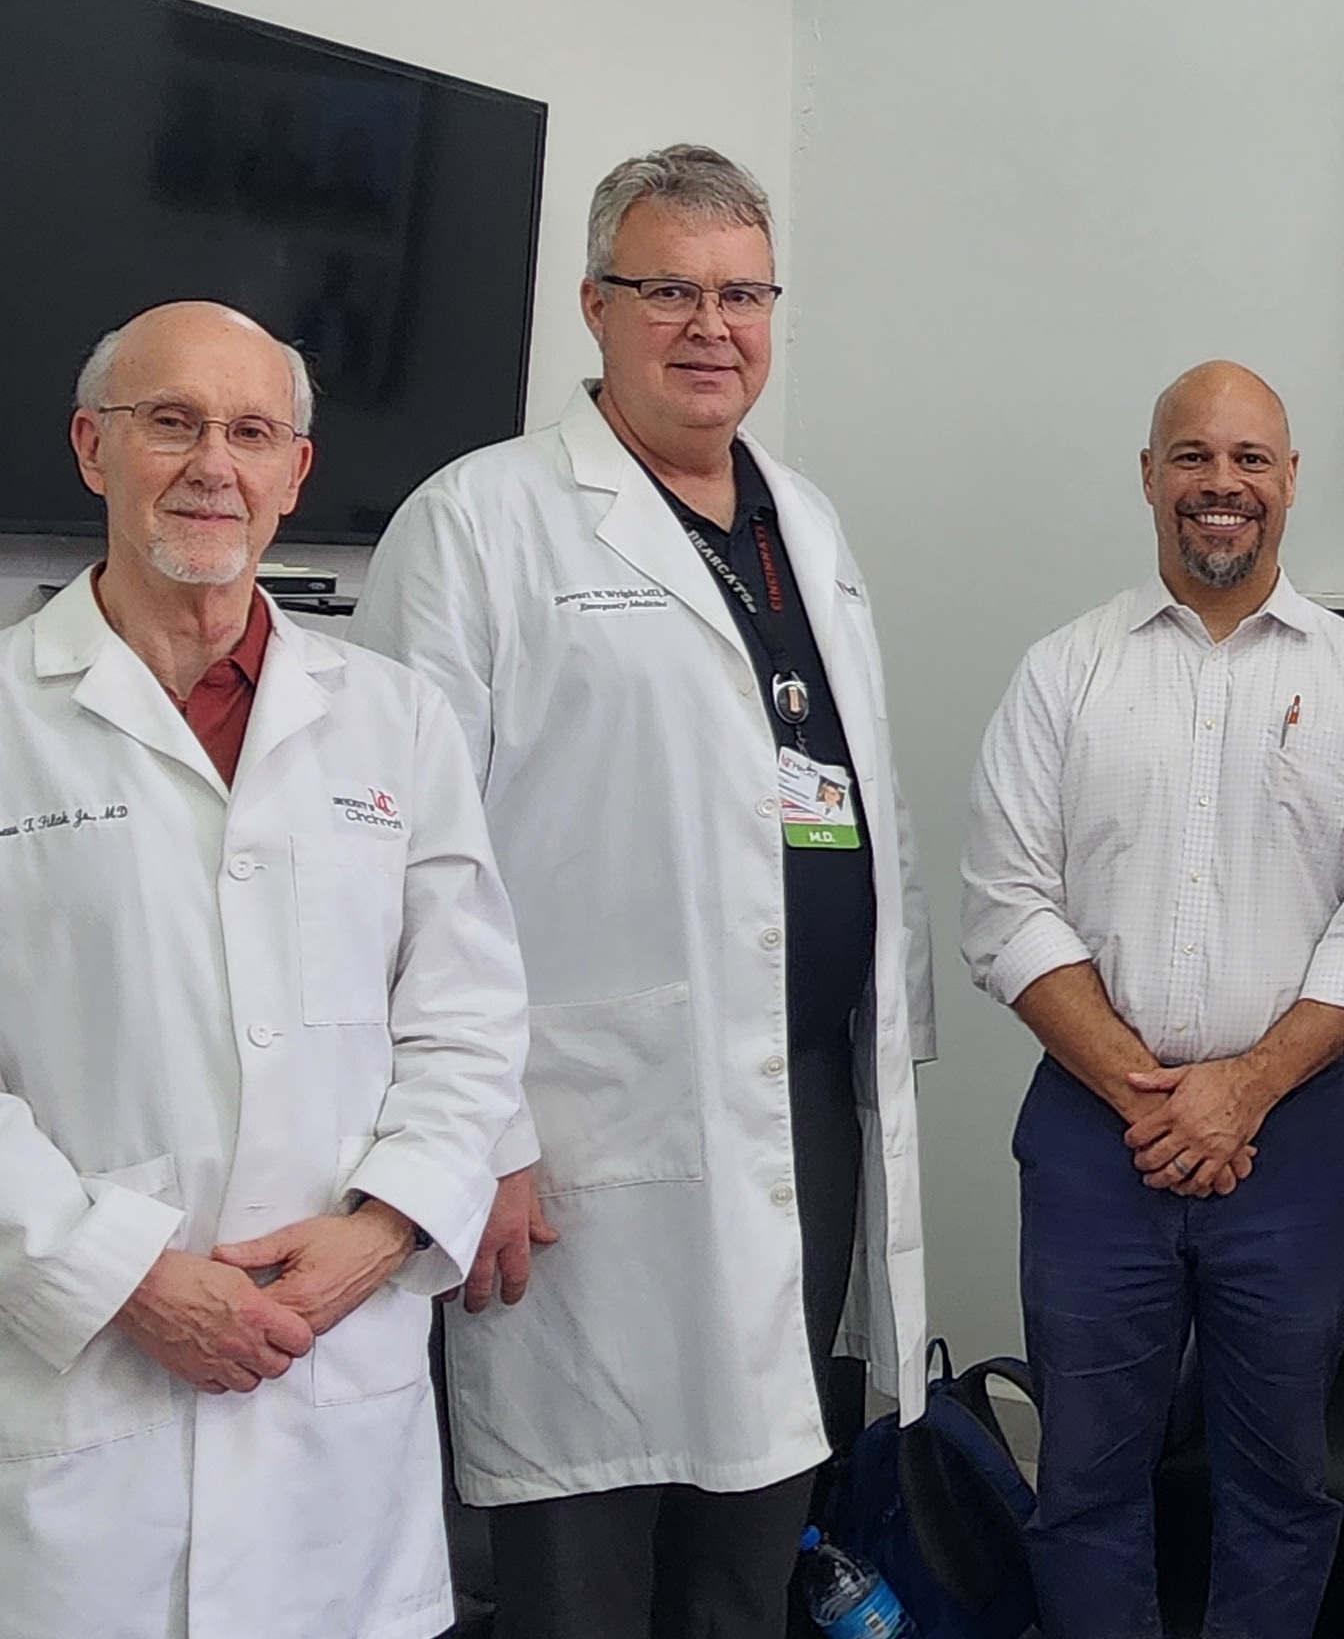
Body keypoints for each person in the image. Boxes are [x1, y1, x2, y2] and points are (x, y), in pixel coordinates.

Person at [0, 301, 529, 1639]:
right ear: (94, 449)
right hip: (87, 1393)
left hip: (337, 1379)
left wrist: (381, 1234)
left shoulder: (396, 719)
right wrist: (123, 1279)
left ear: (295, 473)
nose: (216, 464)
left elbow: (471, 1013)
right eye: (174, 423)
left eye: (253, 431)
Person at [355, 145, 935, 1639]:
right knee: (585, 1544)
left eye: (742, 293)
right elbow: (395, 858)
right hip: (578, 1129)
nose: (710, 326)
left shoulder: (805, 523)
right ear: (595, 306)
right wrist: (472, 1133)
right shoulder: (479, 522)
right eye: (668, 289)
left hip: (799, 1101)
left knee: (753, 1535)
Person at [961, 361, 1344, 1639]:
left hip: (1290, 1141)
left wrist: (1240, 1092)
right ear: (1149, 478)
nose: (1219, 486)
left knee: (1279, 1481)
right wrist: (1146, 1089)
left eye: (1249, 460)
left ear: (1288, 483)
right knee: (1086, 1479)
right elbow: (1006, 904)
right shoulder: (1062, 674)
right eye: (1192, 458)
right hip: (1091, 1134)